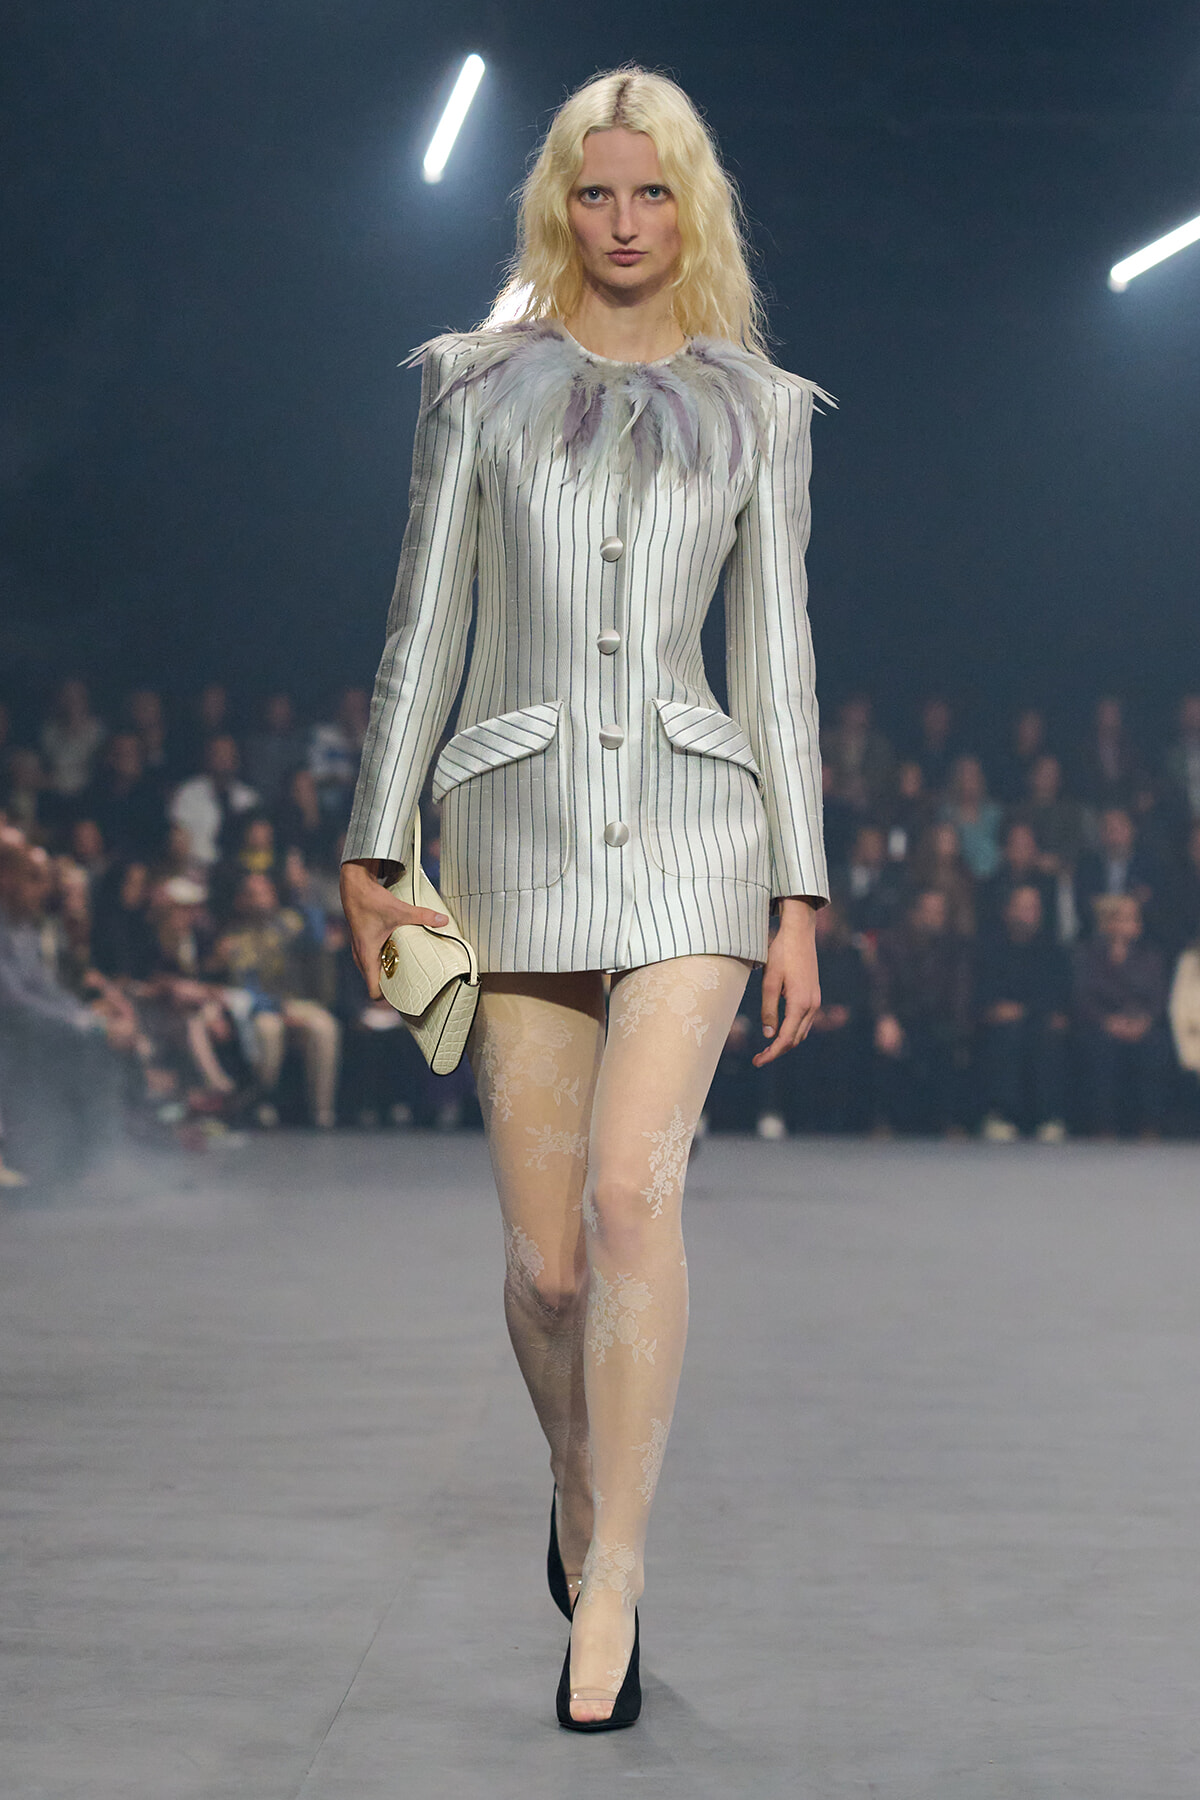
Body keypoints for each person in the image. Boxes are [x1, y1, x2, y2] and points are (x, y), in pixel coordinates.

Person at [337, 67, 830, 1730]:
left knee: (635, 1198)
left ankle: (613, 1569)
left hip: (699, 830)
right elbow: (422, 624)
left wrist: (799, 896)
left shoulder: (761, 408)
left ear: (694, 211)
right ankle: (573, 1471)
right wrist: (372, 846)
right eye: (599, 195)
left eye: (655, 196)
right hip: (510, 828)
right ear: (562, 206)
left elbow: (777, 658)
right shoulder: (473, 391)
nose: (626, 225)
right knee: (549, 1272)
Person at [870, 887, 972, 1135]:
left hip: (940, 1020)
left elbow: (961, 994)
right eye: (928, 911)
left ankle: (947, 1121)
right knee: (887, 1037)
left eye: (939, 912)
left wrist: (960, 1028)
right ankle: (885, 1120)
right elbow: (881, 987)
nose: (934, 917)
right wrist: (885, 1017)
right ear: (914, 913)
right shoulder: (891, 944)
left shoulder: (955, 947)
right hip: (902, 1019)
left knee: (948, 1041)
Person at [974, 884, 1070, 1141]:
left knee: (1047, 1035)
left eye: (1034, 908)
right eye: (1023, 907)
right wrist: (994, 1010)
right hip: (1000, 1023)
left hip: (1039, 1020)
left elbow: (1058, 996)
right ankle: (1001, 1114)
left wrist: (1027, 1011)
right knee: (1006, 1034)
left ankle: (1049, 1117)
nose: (1029, 914)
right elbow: (981, 993)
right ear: (1007, 911)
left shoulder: (1053, 950)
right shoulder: (990, 949)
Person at [1072, 894, 1171, 1137]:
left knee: (1156, 1045)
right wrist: (1108, 1022)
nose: (1132, 924)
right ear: (1108, 923)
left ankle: (1150, 1124)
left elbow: (1159, 997)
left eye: (1134, 918)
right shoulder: (1087, 954)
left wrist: (1144, 1021)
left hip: (1141, 1023)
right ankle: (1103, 1124)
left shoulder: (1151, 955)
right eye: (1125, 919)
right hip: (1101, 1023)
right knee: (1099, 1047)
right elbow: (1082, 997)